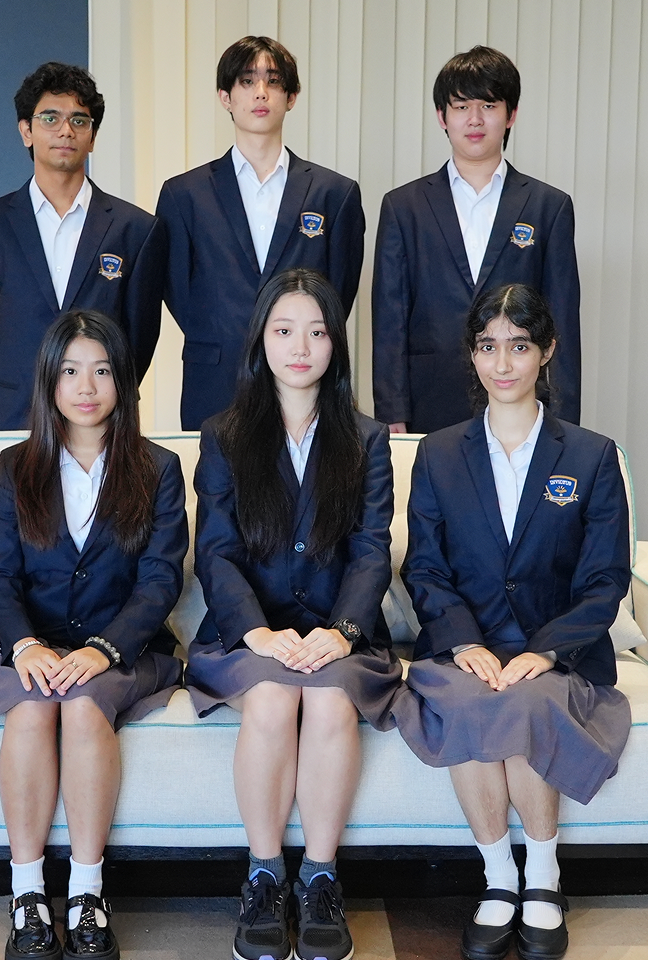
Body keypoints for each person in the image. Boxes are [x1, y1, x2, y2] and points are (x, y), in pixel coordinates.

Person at [393, 284, 630, 960]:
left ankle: (545, 880)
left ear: (546, 352)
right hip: (465, 652)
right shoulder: (437, 455)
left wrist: (549, 651)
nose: (504, 364)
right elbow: (427, 571)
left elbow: (605, 578)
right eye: (489, 347)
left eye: (519, 347)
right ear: (473, 356)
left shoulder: (590, 456)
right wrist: (464, 639)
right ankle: (500, 878)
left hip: (557, 657)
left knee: (525, 702)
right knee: (470, 702)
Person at [0, 310, 188, 960]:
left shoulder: (157, 467)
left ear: (123, 381)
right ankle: (28, 895)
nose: (86, 386)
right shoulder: (13, 468)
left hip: (124, 650)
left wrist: (102, 650)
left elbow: (160, 582)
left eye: (102, 370)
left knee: (85, 711)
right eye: (69, 371)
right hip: (33, 646)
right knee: (31, 714)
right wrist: (27, 645)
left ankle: (88, 894)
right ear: (48, 382)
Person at [185, 268, 397, 960]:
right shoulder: (222, 435)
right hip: (250, 632)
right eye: (283, 330)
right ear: (261, 341)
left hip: (343, 631)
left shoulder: (365, 440)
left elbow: (372, 552)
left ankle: (323, 879)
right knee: (274, 700)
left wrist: (340, 634)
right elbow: (214, 553)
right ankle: (265, 876)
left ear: (335, 343)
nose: (299, 345)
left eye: (315, 330)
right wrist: (260, 633)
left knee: (332, 706)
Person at [156, 36, 366, 430]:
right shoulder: (183, 194)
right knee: (215, 489)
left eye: (273, 81)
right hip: (216, 376)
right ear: (225, 96)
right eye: (247, 81)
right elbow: (177, 291)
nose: (260, 93)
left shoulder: (334, 194)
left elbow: (338, 291)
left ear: (292, 96)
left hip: (305, 380)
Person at [372, 45, 582, 435]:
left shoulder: (547, 207)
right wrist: (391, 413)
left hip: (522, 400)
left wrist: (564, 420)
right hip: (428, 401)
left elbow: (563, 321)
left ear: (510, 115)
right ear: (442, 116)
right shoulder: (404, 206)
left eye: (488, 105)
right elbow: (389, 319)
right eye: (461, 106)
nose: (474, 119)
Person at [0, 62, 167, 430]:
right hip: (19, 413)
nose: (65, 130)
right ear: (26, 130)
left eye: (79, 120)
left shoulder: (136, 229)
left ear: (93, 136)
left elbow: (140, 337)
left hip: (104, 419)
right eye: (50, 118)